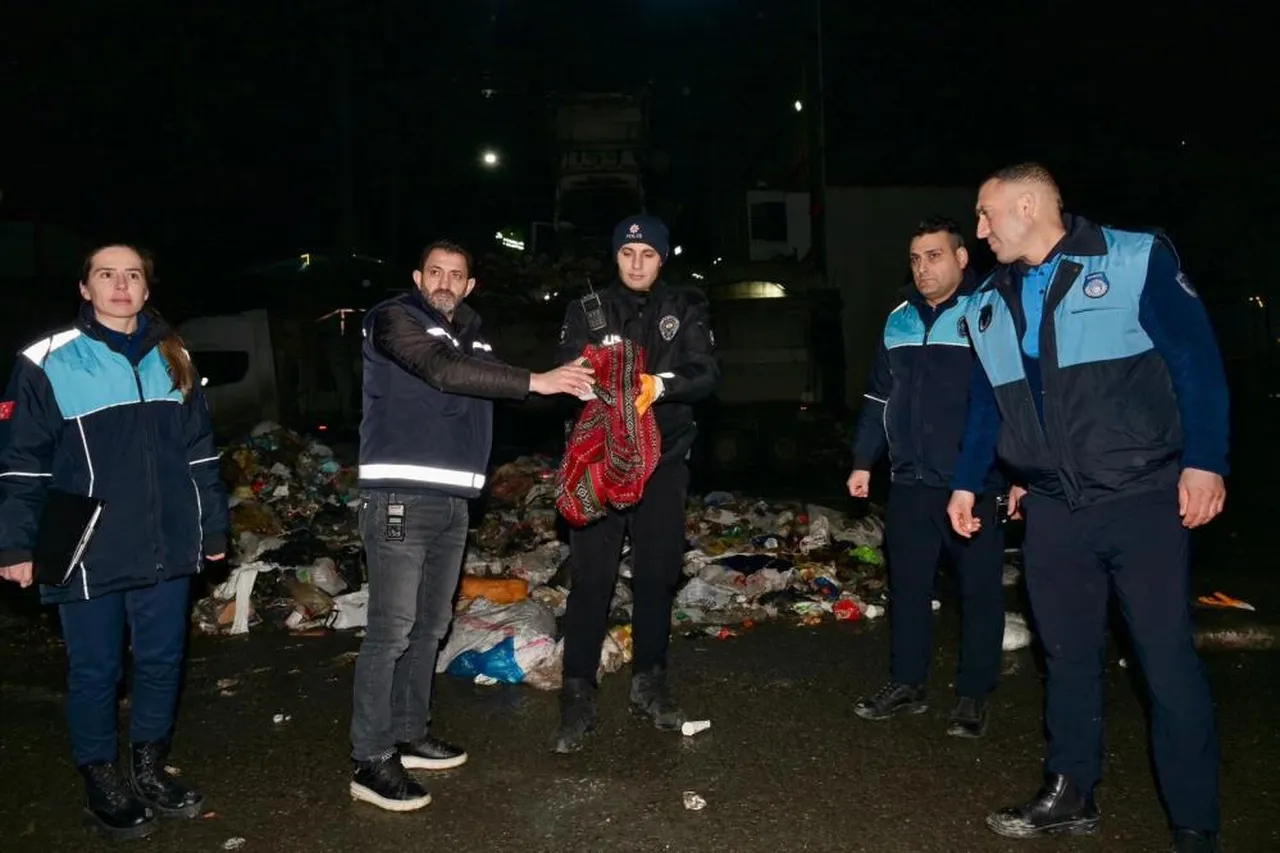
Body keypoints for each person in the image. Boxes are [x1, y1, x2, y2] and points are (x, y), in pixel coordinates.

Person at [947, 164, 1227, 853]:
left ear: (1028, 204)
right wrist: (967, 480)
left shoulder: (1133, 259)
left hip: (1142, 499)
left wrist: (1206, 460)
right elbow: (991, 402)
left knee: (1165, 663)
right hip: (1053, 508)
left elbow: (1195, 360)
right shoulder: (989, 300)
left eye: (986, 215)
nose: (979, 231)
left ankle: (1194, 822)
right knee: (1066, 656)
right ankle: (1070, 790)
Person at [349, 239, 594, 812]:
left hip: (454, 501)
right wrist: (539, 380)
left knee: (431, 625)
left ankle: (408, 733)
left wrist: (581, 387)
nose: (444, 281)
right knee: (391, 629)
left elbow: (492, 383)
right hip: (399, 499)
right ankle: (369, 756)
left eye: (455, 275)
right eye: (434, 271)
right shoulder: (394, 320)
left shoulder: (473, 332)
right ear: (417, 276)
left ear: (469, 285)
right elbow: (441, 371)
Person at [0, 244, 228, 841]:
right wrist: (15, 546)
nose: (121, 285)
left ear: (146, 291)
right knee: (95, 670)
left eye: (132, 276)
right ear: (85, 288)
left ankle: (149, 769)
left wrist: (213, 529)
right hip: (86, 545)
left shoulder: (172, 355)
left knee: (161, 663)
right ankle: (101, 779)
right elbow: (22, 464)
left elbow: (201, 451)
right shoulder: (46, 362)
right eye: (107, 274)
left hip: (167, 541)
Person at [550, 213, 719, 754]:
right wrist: (592, 373)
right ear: (616, 257)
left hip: (664, 460)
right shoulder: (587, 309)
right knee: (592, 579)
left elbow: (707, 374)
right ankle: (577, 693)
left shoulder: (685, 306)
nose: (637, 263)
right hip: (600, 462)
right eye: (628, 253)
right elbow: (563, 370)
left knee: (656, 576)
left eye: (648, 254)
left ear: (662, 258)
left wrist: (658, 386)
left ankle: (650, 682)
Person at [847, 217, 1005, 737]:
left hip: (972, 481)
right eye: (916, 258)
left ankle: (973, 694)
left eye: (934, 256)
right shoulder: (898, 321)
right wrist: (863, 461)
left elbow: (1008, 400)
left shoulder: (989, 313)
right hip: (910, 481)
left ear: (962, 258)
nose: (923, 268)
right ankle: (907, 682)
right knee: (908, 587)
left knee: (978, 591)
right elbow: (877, 397)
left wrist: (1019, 474)